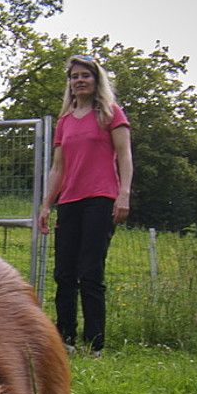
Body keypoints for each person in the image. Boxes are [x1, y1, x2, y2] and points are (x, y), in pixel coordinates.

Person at [36, 53, 134, 355]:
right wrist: (46, 204)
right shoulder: (64, 122)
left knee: (90, 273)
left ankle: (95, 344)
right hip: (70, 201)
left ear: (96, 80)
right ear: (69, 83)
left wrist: (124, 194)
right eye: (75, 77)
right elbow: (58, 168)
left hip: (100, 199)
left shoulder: (110, 113)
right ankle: (65, 340)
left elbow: (126, 155)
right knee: (63, 273)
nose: (79, 81)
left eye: (85, 76)